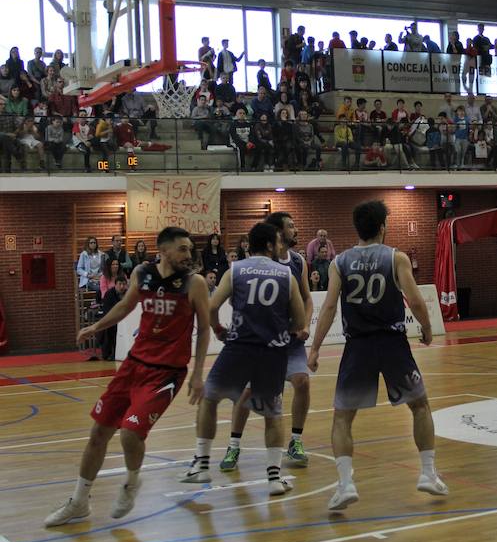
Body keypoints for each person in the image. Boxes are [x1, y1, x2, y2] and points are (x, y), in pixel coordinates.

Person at [45, 227, 210, 526]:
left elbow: (205, 330)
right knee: (98, 433)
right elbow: (124, 306)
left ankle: (131, 483)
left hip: (167, 373)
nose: (189, 255)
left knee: (130, 433)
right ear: (164, 251)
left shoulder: (194, 283)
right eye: (183, 249)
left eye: (190, 249)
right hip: (134, 365)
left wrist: (198, 374)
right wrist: (95, 327)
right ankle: (79, 502)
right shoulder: (143, 274)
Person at [308, 200, 448, 510]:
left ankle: (345, 485)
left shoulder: (339, 262)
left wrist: (316, 347)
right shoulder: (396, 257)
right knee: (420, 406)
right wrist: (426, 328)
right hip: (393, 343)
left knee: (343, 417)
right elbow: (414, 298)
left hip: (357, 346)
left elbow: (329, 307)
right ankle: (427, 473)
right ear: (382, 227)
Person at [181, 222, 305, 496]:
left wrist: (218, 329)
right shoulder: (286, 274)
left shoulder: (235, 270)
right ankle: (274, 477)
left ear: (251, 244)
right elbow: (300, 320)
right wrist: (282, 327)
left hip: (238, 347)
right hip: (272, 352)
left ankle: (201, 463)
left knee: (210, 399)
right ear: (272, 245)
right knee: (273, 413)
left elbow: (212, 307)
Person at [219, 212, 314, 472]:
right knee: (249, 393)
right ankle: (234, 445)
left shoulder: (297, 261)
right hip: (261, 342)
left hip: (290, 342)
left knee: (302, 381)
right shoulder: (251, 266)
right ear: (277, 234)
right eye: (291, 226)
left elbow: (307, 298)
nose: (296, 230)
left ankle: (295, 441)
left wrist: (304, 324)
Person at [97, 274, 128, 362]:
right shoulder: (109, 294)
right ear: (115, 284)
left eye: (124, 284)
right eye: (120, 284)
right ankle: (110, 353)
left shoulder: (128, 293)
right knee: (109, 329)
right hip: (112, 319)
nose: (122, 287)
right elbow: (107, 310)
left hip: (125, 319)